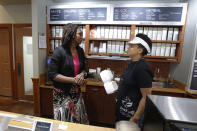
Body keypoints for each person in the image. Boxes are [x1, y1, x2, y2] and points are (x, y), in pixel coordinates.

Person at [48, 23, 88, 124]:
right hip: (62, 94)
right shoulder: (59, 51)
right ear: (72, 35)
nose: (82, 37)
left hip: (76, 93)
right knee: (64, 123)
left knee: (78, 121)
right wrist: (74, 80)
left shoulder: (80, 51)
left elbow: (84, 68)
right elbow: (52, 74)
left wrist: (82, 74)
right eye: (80, 34)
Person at [115, 33, 153, 127]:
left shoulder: (142, 67)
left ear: (140, 50)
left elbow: (146, 96)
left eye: (131, 46)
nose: (128, 48)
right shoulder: (132, 64)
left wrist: (135, 117)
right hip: (123, 113)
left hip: (131, 117)